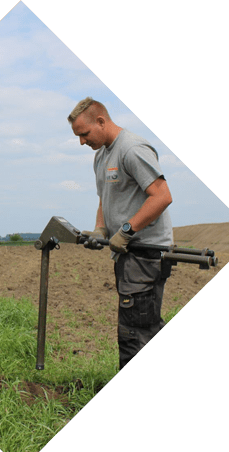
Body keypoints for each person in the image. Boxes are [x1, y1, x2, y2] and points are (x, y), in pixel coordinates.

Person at [68, 97, 174, 370]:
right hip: (126, 255)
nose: (82, 141)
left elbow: (161, 196)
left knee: (135, 332)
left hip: (145, 253)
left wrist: (126, 231)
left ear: (101, 121)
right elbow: (106, 198)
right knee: (140, 326)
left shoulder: (132, 149)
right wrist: (102, 228)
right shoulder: (101, 156)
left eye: (84, 134)